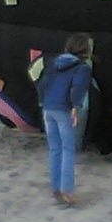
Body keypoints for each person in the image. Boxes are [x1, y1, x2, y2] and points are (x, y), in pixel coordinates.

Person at [37, 33, 94, 206]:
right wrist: (76, 107)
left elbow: (42, 82)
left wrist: (42, 100)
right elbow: (78, 88)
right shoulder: (82, 68)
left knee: (55, 149)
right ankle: (66, 190)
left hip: (48, 107)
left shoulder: (55, 63)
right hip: (63, 109)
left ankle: (55, 187)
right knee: (68, 150)